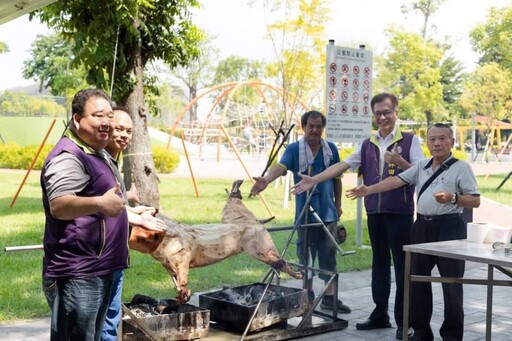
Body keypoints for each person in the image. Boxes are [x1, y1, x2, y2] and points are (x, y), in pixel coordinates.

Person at [291, 93, 424, 339]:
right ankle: (379, 314)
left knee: (403, 268)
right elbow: (342, 166)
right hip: (375, 212)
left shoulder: (410, 141)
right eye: (378, 113)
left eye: (387, 112)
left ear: (396, 112)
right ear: (373, 116)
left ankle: (403, 321)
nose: (382, 117)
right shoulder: (367, 143)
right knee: (379, 265)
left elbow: (422, 173)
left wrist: (401, 161)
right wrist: (315, 179)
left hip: (400, 214)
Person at [345, 123, 480, 341]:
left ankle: (452, 335)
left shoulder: (461, 167)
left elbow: (475, 200)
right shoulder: (422, 166)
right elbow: (395, 180)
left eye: (442, 138)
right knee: (417, 281)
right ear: (427, 143)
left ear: (452, 142)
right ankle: (421, 332)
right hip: (421, 228)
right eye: (433, 139)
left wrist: (453, 198)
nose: (437, 143)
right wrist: (368, 190)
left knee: (452, 285)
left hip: (450, 228)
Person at [41, 88, 127, 340]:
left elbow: (109, 204)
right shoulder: (69, 155)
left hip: (99, 268)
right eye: (98, 116)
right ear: (77, 119)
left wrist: (132, 215)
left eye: (110, 116)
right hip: (78, 273)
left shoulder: (95, 151)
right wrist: (101, 203)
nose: (106, 123)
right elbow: (59, 205)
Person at [250, 110, 351, 313]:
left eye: (318, 126)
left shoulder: (330, 149)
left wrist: (338, 204)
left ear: (323, 128)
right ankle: (307, 296)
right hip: (304, 214)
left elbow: (337, 179)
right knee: (305, 256)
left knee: (328, 256)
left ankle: (330, 298)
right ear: (303, 127)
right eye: (311, 126)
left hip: (327, 213)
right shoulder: (295, 149)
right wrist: (266, 180)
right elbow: (281, 166)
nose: (315, 130)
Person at [101, 107, 166, 341]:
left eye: (129, 131)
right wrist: (138, 218)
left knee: (111, 319)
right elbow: (100, 206)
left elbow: (114, 205)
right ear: (106, 127)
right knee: (101, 321)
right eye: (119, 128)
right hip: (101, 259)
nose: (124, 135)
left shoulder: (112, 162)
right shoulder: (98, 162)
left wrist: (133, 209)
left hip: (117, 255)